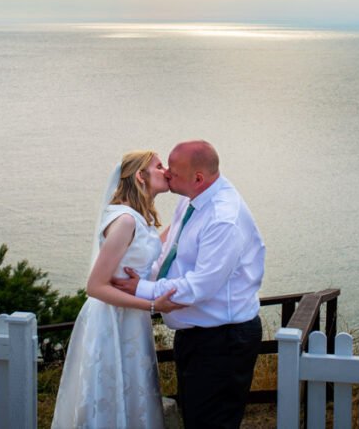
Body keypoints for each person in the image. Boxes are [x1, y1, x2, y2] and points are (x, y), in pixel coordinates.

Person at [113, 140, 266, 429]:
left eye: (174, 172)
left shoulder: (224, 218)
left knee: (211, 423)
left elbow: (199, 287)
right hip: (198, 337)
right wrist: (144, 272)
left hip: (223, 340)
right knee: (196, 418)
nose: (168, 174)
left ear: (198, 178)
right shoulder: (192, 198)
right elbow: (173, 248)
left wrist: (141, 290)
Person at [51, 150, 185, 429]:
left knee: (132, 393)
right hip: (112, 320)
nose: (166, 170)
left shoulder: (138, 218)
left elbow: (153, 247)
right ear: (140, 176)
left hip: (130, 319)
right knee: (111, 395)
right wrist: (152, 306)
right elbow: (95, 286)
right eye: (158, 166)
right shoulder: (124, 221)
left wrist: (187, 216)